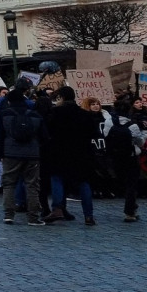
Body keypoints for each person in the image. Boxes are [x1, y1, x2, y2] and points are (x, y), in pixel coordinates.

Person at [0, 78, 48, 226]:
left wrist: (0, 153)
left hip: (11, 153)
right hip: (32, 154)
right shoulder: (35, 115)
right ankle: (33, 217)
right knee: (32, 185)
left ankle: (8, 215)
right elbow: (44, 136)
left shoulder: (5, 114)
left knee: (9, 184)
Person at [45, 86, 100, 225]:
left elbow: (48, 131)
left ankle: (57, 208)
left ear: (61, 98)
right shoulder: (85, 114)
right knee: (83, 183)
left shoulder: (55, 112)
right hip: (81, 153)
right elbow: (93, 133)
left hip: (59, 152)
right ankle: (88, 215)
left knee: (57, 178)